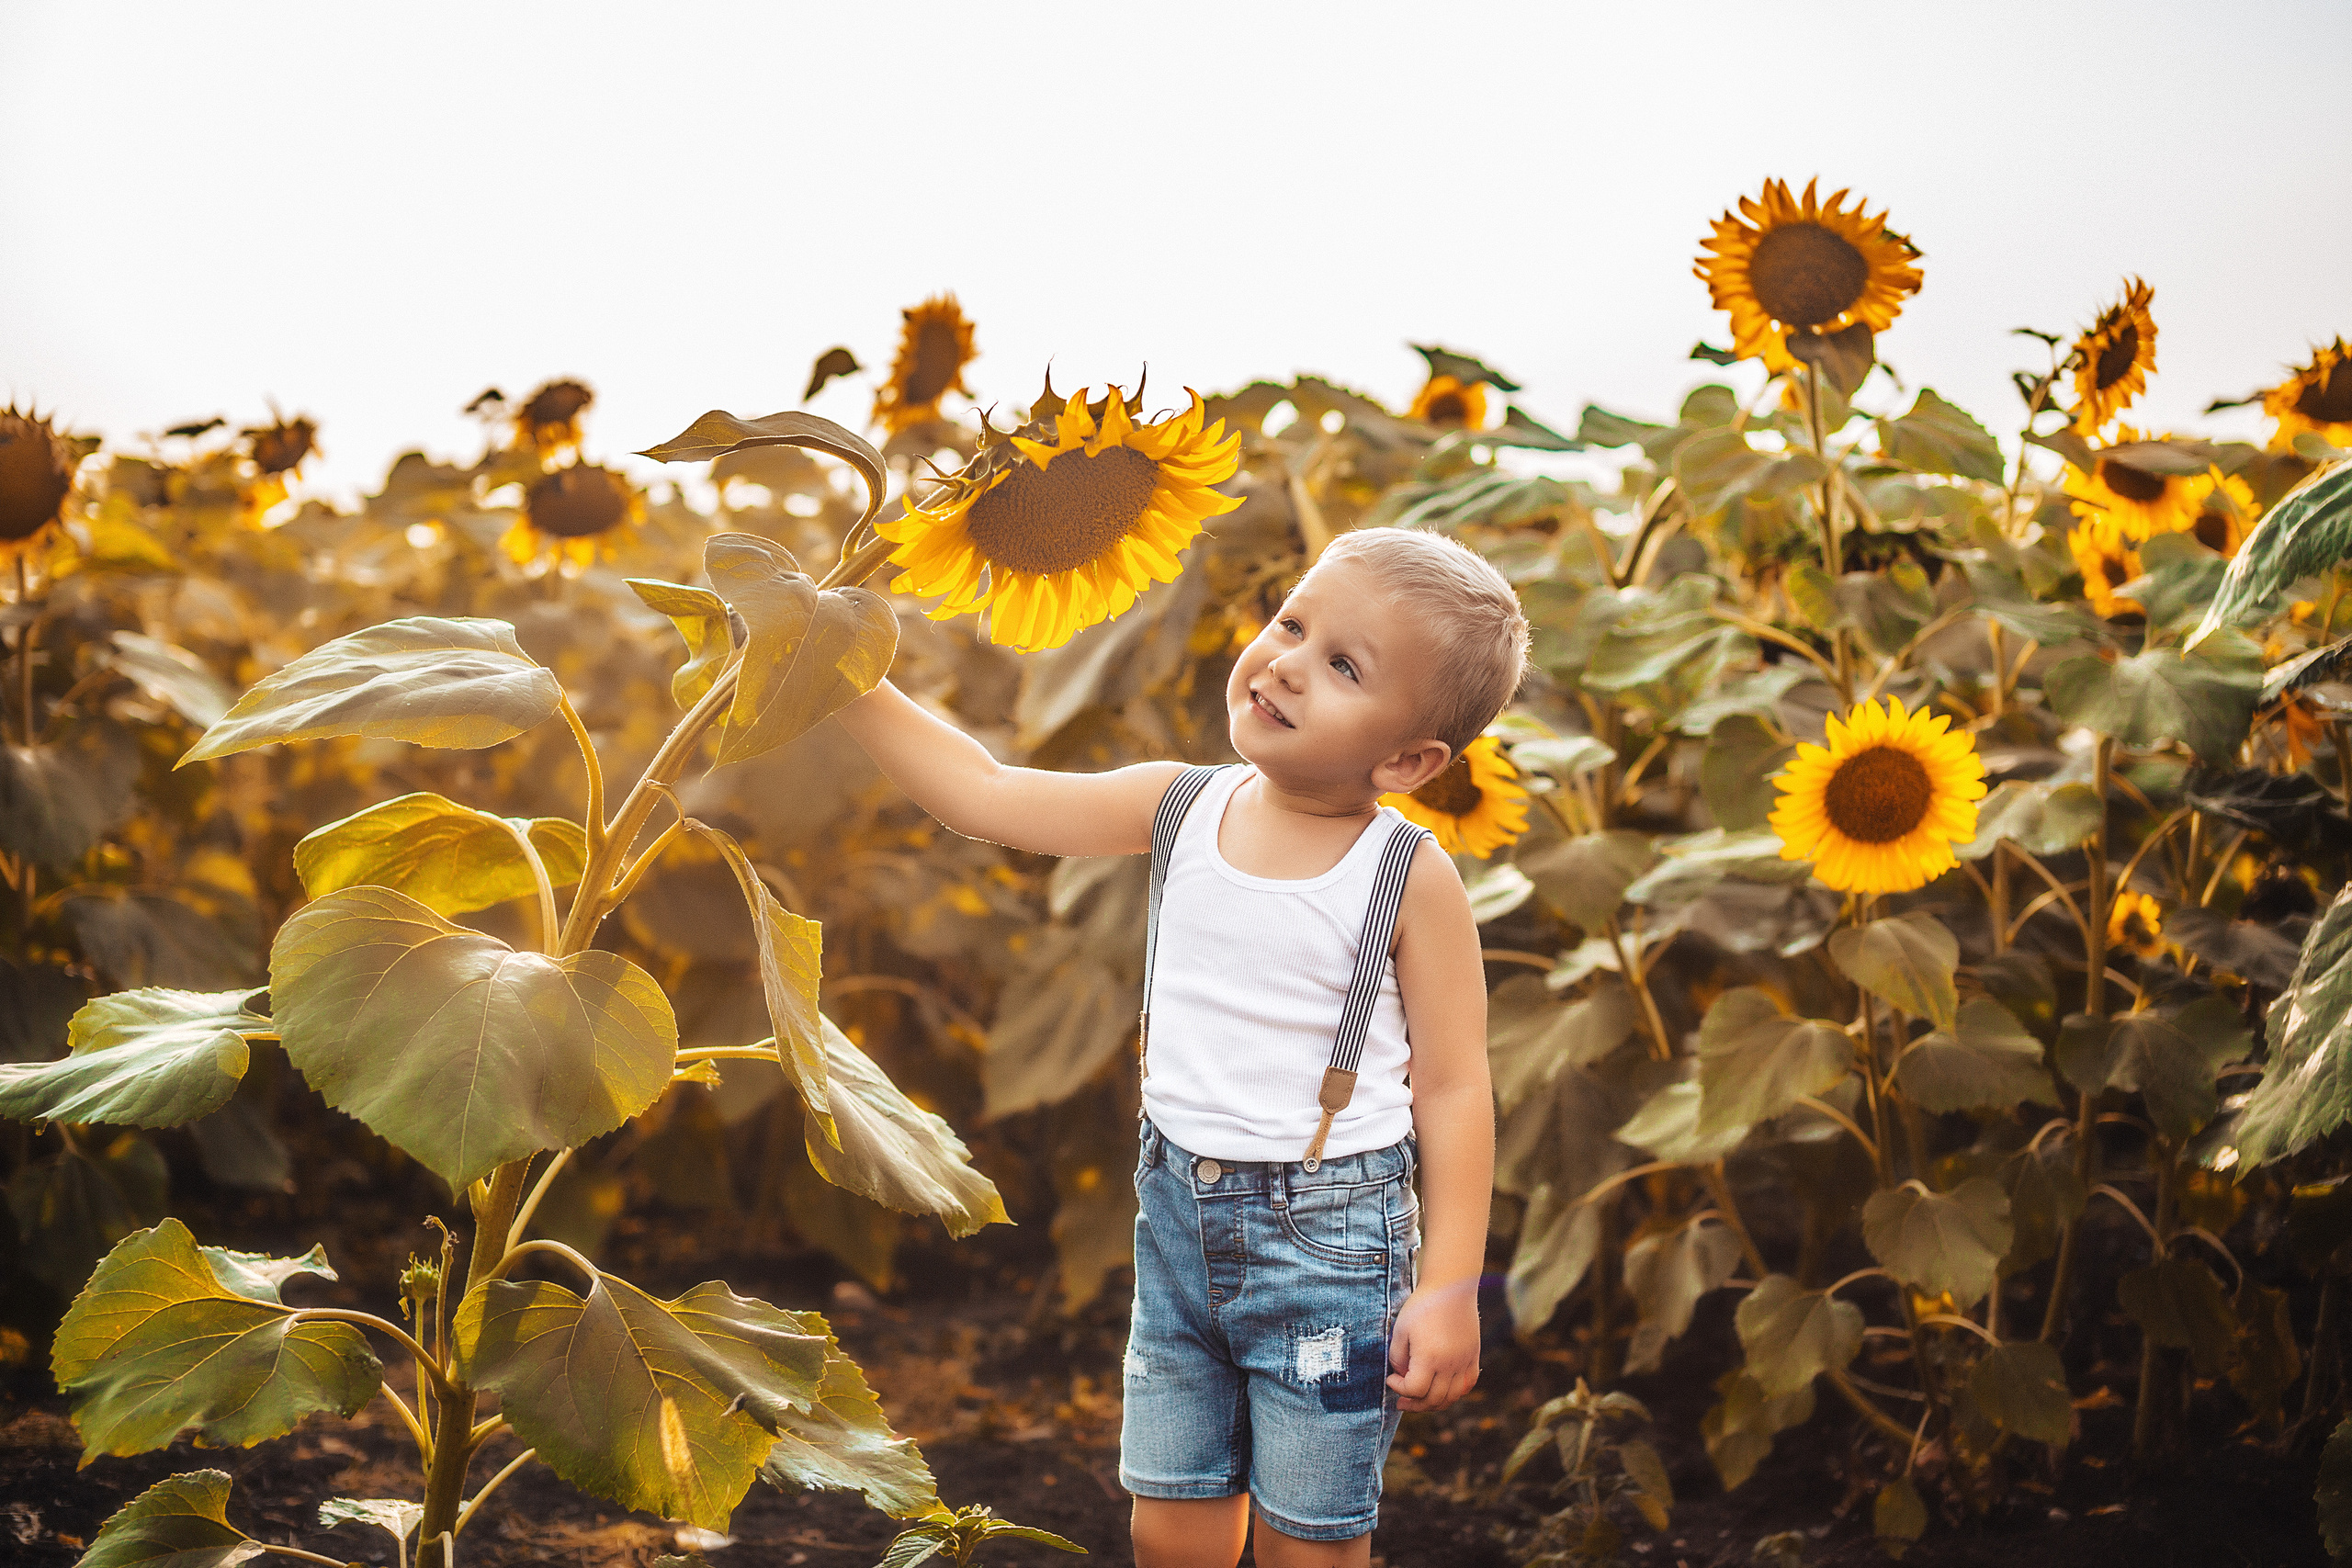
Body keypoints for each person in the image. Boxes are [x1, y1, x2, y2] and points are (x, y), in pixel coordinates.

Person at [833, 524, 1523, 1567]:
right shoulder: (1181, 805)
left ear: (1407, 759)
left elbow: (1457, 1086)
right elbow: (988, 794)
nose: (1286, 661)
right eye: (1293, 624)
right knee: (1172, 1525)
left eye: (1342, 666)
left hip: (1331, 1249)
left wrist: (1447, 1287)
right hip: (1179, 1230)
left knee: (1313, 1538)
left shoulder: (1406, 874)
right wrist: (845, 675)